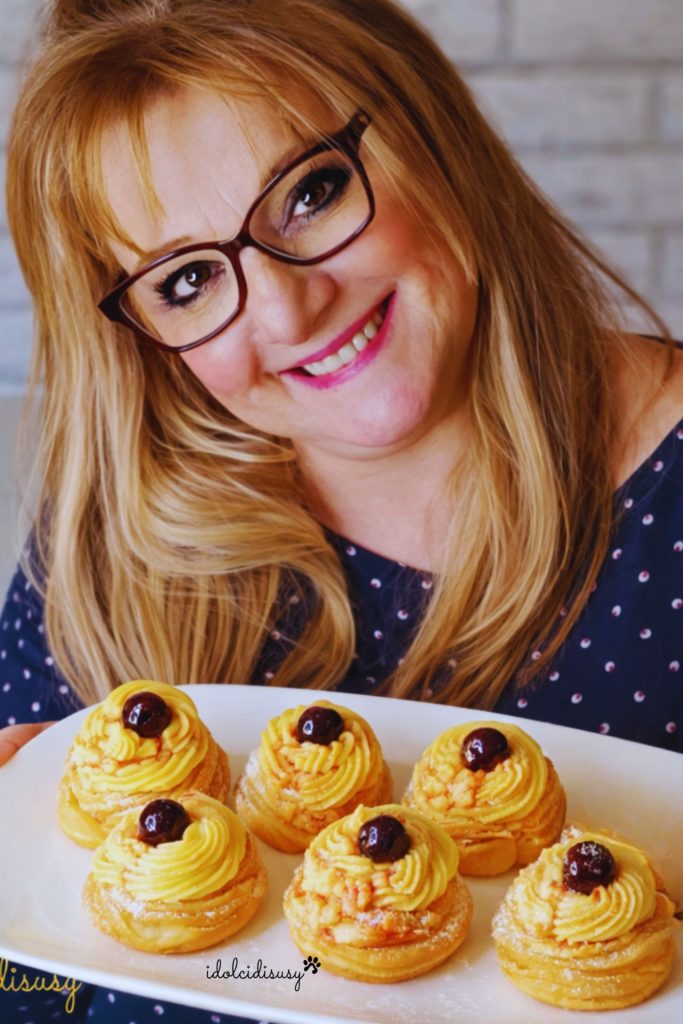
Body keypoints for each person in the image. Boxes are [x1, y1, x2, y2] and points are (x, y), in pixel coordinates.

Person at [1, 0, 681, 1020]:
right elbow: (32, 985)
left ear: (432, 134)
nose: (285, 308)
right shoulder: (111, 553)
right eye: (187, 279)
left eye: (309, 193)